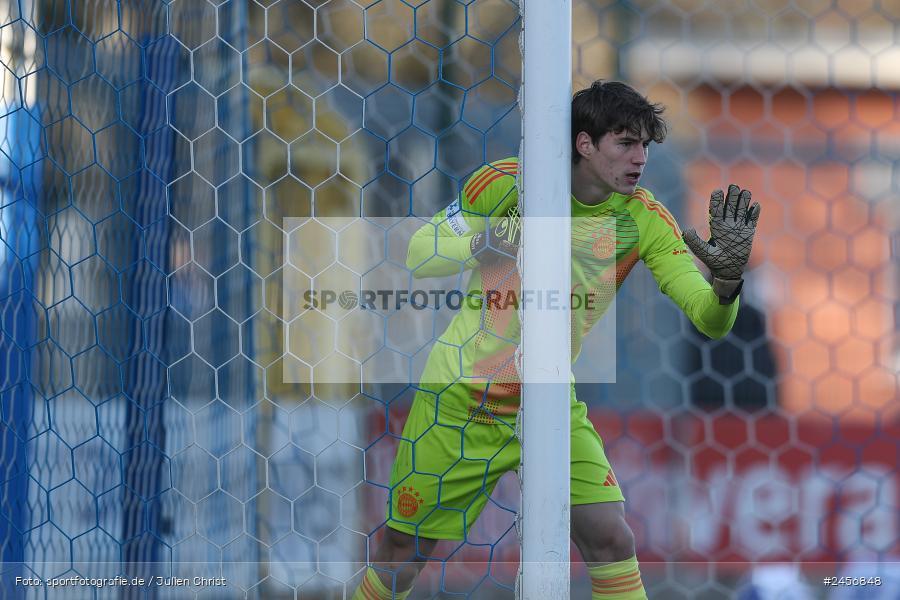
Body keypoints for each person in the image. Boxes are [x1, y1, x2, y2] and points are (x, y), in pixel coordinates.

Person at [352, 80, 761, 600]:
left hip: (550, 402)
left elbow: (708, 318)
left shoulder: (645, 220)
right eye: (625, 142)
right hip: (460, 400)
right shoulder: (506, 184)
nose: (640, 158)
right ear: (584, 144)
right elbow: (422, 254)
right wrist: (493, 238)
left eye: (645, 146)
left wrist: (726, 284)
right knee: (399, 553)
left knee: (612, 540)